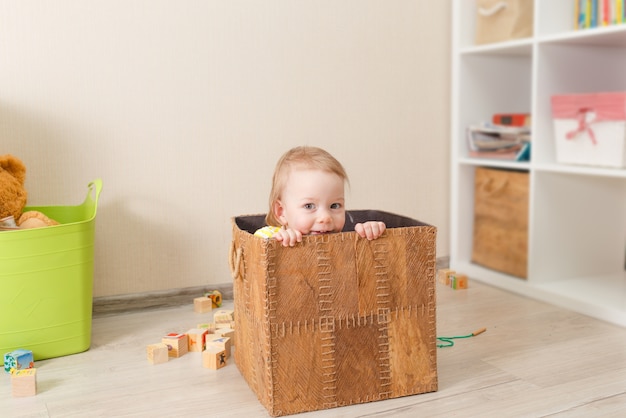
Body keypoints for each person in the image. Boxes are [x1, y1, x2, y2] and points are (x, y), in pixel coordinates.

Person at [255, 146, 386, 246]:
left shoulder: (342, 240)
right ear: (281, 212)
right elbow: (255, 249)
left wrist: (369, 233)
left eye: (335, 205)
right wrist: (278, 242)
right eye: (309, 206)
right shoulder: (271, 235)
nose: (325, 218)